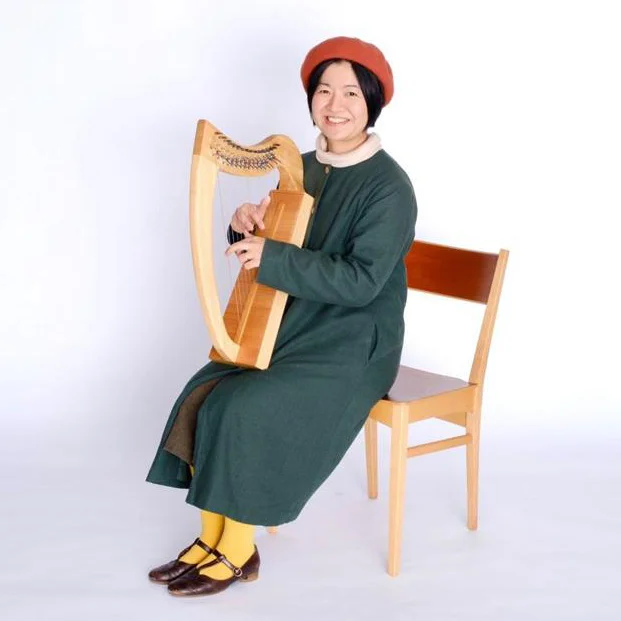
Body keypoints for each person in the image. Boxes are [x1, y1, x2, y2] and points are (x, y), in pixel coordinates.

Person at [146, 35, 418, 597]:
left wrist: (272, 257)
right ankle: (211, 538)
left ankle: (237, 549)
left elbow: (361, 282)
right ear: (311, 99)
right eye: (324, 91)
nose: (335, 105)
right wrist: (247, 224)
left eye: (350, 93)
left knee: (248, 407)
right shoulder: (303, 167)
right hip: (300, 322)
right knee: (206, 393)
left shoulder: (390, 187)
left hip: (355, 341)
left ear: (372, 102)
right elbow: (283, 242)